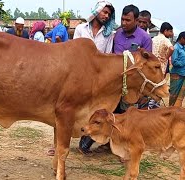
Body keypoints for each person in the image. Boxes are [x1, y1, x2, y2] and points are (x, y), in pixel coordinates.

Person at [73, 0, 116, 155]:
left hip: (96, 78)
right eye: (104, 12)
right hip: (77, 75)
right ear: (96, 11)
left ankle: (84, 143)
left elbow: (107, 56)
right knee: (68, 107)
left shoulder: (109, 34)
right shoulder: (80, 28)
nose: (106, 15)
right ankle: (57, 143)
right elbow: (73, 51)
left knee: (92, 110)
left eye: (108, 14)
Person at [113, 4, 152, 114]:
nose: (124, 23)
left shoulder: (145, 38)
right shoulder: (117, 33)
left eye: (128, 20)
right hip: (116, 84)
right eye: (122, 19)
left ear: (136, 20)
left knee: (132, 118)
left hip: (134, 86)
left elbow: (147, 65)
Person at [169, 31, 185, 107]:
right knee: (174, 94)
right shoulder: (176, 48)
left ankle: (177, 109)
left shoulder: (184, 48)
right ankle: (171, 109)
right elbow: (174, 62)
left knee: (181, 94)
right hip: (177, 74)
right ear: (182, 38)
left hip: (184, 74)